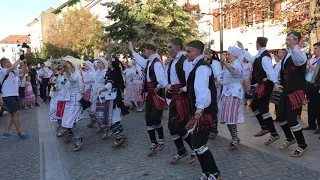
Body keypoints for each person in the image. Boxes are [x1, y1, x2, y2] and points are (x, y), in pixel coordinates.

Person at [184, 40, 221, 180]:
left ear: (197, 52)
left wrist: (199, 107)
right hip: (200, 109)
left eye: (189, 51)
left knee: (198, 143)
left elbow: (202, 89)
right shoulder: (197, 66)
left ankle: (215, 173)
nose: (186, 53)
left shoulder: (202, 67)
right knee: (197, 143)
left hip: (204, 110)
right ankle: (207, 172)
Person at [129, 42, 169, 156]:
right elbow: (140, 60)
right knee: (148, 118)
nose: (144, 52)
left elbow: (161, 78)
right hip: (150, 94)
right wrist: (132, 51)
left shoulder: (156, 63)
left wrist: (159, 86)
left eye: (145, 50)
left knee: (155, 119)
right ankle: (153, 142)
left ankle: (161, 139)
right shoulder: (149, 62)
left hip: (157, 94)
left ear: (150, 51)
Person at [239, 38, 280, 145]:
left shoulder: (265, 57)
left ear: (257, 44)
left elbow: (270, 71)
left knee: (263, 108)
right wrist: (243, 48)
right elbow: (250, 58)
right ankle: (265, 127)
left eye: (256, 44)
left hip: (266, 85)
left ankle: (273, 133)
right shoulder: (259, 55)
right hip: (261, 84)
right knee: (254, 106)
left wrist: (275, 82)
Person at [274, 31, 309, 157]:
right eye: (287, 39)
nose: (287, 41)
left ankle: (302, 145)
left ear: (296, 40)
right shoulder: (287, 55)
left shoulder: (299, 54)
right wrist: (277, 82)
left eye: (289, 39)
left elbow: (299, 61)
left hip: (296, 91)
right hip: (286, 89)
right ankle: (290, 138)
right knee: (280, 116)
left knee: (291, 118)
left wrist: (294, 47)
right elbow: (281, 71)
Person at [165, 37, 197, 164]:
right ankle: (181, 150)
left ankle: (194, 149)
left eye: (170, 46)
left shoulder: (184, 60)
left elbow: (191, 79)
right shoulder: (174, 61)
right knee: (171, 127)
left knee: (179, 127)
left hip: (182, 98)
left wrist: (181, 88)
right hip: (174, 97)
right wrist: (168, 86)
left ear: (177, 46)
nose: (168, 49)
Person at [219, 46, 245, 150]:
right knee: (227, 118)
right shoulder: (230, 64)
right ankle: (234, 138)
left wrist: (224, 63)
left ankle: (235, 139)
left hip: (234, 94)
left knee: (231, 118)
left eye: (228, 54)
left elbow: (235, 72)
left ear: (235, 55)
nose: (227, 56)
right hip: (227, 93)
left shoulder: (237, 64)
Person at [0, 57, 29, 138]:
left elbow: (24, 71)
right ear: (4, 64)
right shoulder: (2, 71)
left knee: (11, 114)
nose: (11, 63)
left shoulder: (13, 71)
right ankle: (20, 132)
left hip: (14, 95)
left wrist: (25, 63)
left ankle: (6, 132)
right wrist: (20, 58)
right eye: (9, 61)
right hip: (8, 95)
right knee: (16, 113)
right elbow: (12, 67)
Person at [60, 61, 85, 151]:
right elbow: (65, 85)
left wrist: (66, 70)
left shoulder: (75, 76)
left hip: (76, 101)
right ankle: (75, 136)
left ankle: (78, 139)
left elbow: (72, 79)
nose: (68, 69)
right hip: (69, 101)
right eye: (67, 67)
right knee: (67, 121)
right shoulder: (67, 76)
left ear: (73, 68)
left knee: (71, 121)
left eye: (69, 67)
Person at [204, 49, 222, 140]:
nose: (205, 56)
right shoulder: (205, 63)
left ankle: (214, 129)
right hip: (207, 87)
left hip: (214, 87)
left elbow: (218, 75)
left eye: (206, 54)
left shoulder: (215, 63)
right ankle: (208, 127)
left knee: (213, 107)